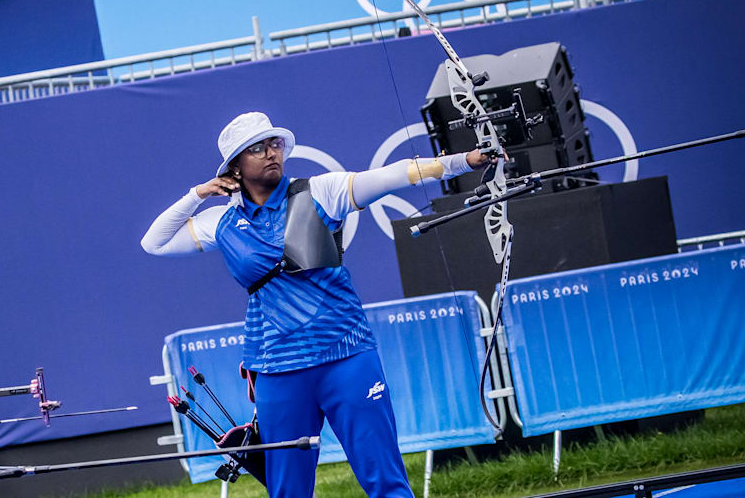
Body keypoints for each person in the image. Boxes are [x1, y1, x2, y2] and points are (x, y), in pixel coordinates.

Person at [142, 112, 492, 498]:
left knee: (384, 478)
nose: (271, 153)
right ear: (234, 167)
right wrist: (197, 194)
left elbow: (396, 174)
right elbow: (154, 242)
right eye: (256, 149)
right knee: (288, 490)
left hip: (345, 355)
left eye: (274, 144)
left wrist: (464, 161)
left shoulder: (322, 191)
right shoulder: (221, 220)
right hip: (277, 368)